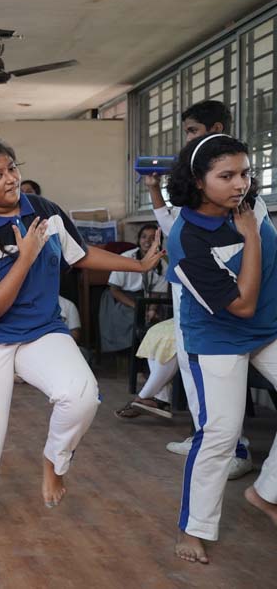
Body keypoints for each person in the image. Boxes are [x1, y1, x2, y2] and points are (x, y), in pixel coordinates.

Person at [0, 135, 165, 557]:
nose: (10, 179)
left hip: (40, 329)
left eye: (12, 167)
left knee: (82, 397)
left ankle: (53, 462)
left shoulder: (45, 212)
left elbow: (79, 255)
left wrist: (136, 264)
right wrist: (25, 257)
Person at [163, 134, 277, 564]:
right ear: (198, 181)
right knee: (221, 435)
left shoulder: (251, 206)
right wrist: (250, 237)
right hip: (218, 338)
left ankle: (266, 493)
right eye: (226, 176)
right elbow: (242, 305)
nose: (240, 184)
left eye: (245, 173)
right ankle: (194, 528)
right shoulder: (187, 241)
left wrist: (254, 230)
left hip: (269, 327)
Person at [142, 99, 252, 478]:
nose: (238, 182)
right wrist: (154, 191)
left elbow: (182, 234)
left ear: (215, 128)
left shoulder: (229, 187)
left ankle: (229, 447)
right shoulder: (196, 178)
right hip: (196, 283)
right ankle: (207, 436)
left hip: (220, 293)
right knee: (194, 370)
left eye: (191, 131)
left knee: (206, 372)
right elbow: (178, 228)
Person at [99, 223, 168, 353]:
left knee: (158, 318)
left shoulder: (162, 264)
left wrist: (151, 310)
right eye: (144, 237)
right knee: (134, 317)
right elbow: (114, 290)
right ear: (138, 240)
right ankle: (132, 359)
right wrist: (137, 306)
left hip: (146, 300)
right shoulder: (126, 258)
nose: (147, 241)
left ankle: (149, 360)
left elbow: (156, 293)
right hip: (121, 298)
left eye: (153, 238)